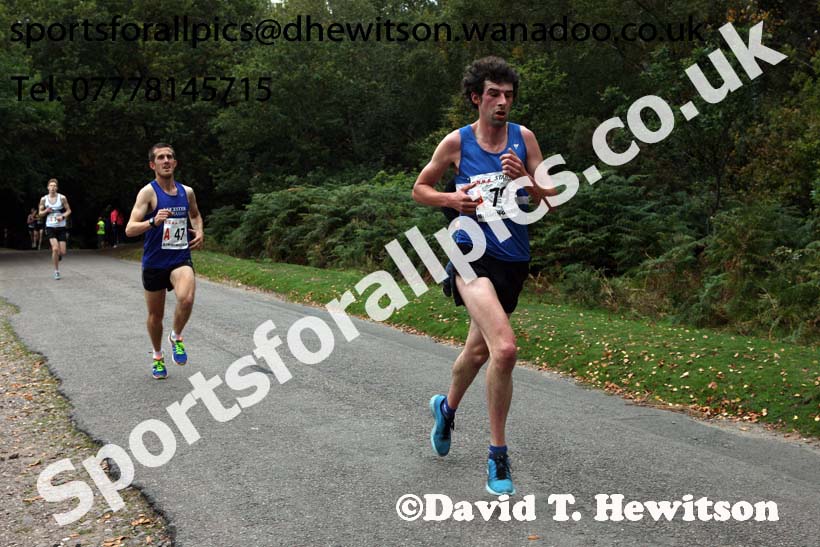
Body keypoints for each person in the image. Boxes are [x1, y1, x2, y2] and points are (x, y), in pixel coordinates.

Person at [412, 56, 556, 495]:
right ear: (476, 98)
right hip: (469, 255)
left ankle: (446, 408)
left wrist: (528, 179)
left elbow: (552, 196)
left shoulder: (523, 138)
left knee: (478, 353)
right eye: (493, 94)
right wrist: (451, 200)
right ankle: (497, 456)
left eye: (508, 95)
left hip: (513, 258)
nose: (502, 102)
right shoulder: (456, 143)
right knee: (506, 349)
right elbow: (420, 189)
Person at [125, 143, 204, 379]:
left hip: (179, 258)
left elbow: (196, 214)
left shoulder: (186, 192)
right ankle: (157, 356)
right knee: (155, 317)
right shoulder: (147, 193)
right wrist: (152, 222)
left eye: (170, 156)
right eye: (161, 157)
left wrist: (199, 231)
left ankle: (176, 337)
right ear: (153, 165)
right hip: (154, 262)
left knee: (186, 298)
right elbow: (130, 229)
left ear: (175, 163)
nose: (166, 160)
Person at [38, 179, 72, 280]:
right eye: (51, 186)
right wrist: (46, 210)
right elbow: (40, 213)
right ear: (48, 187)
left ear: (56, 188)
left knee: (63, 252)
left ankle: (58, 255)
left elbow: (69, 210)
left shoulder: (62, 198)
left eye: (54, 186)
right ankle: (56, 271)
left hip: (61, 226)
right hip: (50, 226)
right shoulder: (44, 199)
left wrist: (63, 217)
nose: (52, 188)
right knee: (55, 248)